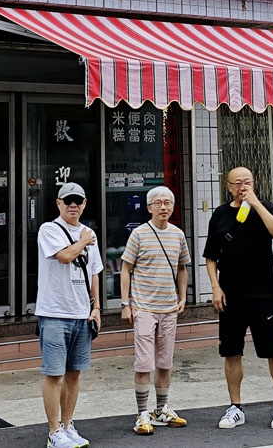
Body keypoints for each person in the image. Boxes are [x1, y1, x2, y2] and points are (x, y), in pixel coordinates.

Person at [203, 166, 273, 430]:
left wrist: (255, 203)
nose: (242, 187)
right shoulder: (220, 214)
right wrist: (215, 287)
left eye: (248, 182)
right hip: (231, 294)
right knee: (231, 352)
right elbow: (211, 256)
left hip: (262, 292)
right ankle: (235, 406)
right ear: (228, 186)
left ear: (254, 184)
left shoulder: (266, 207)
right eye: (237, 183)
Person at [35, 182, 103, 448]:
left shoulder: (89, 232)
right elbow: (64, 256)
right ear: (59, 204)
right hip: (54, 313)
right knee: (54, 374)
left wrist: (96, 307)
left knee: (74, 374)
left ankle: (67, 425)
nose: (73, 205)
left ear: (85, 203)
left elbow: (95, 272)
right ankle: (54, 433)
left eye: (78, 200)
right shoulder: (49, 229)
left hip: (81, 314)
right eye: (68, 200)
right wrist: (83, 241)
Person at [120, 186, 191, 436]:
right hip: (143, 307)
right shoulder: (139, 234)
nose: (164, 207)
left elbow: (182, 267)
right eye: (158, 203)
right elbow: (126, 268)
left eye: (168, 203)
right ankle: (141, 413)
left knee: (165, 362)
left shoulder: (178, 235)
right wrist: (125, 303)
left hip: (169, 307)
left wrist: (183, 296)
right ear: (149, 207)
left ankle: (161, 409)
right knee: (143, 363)